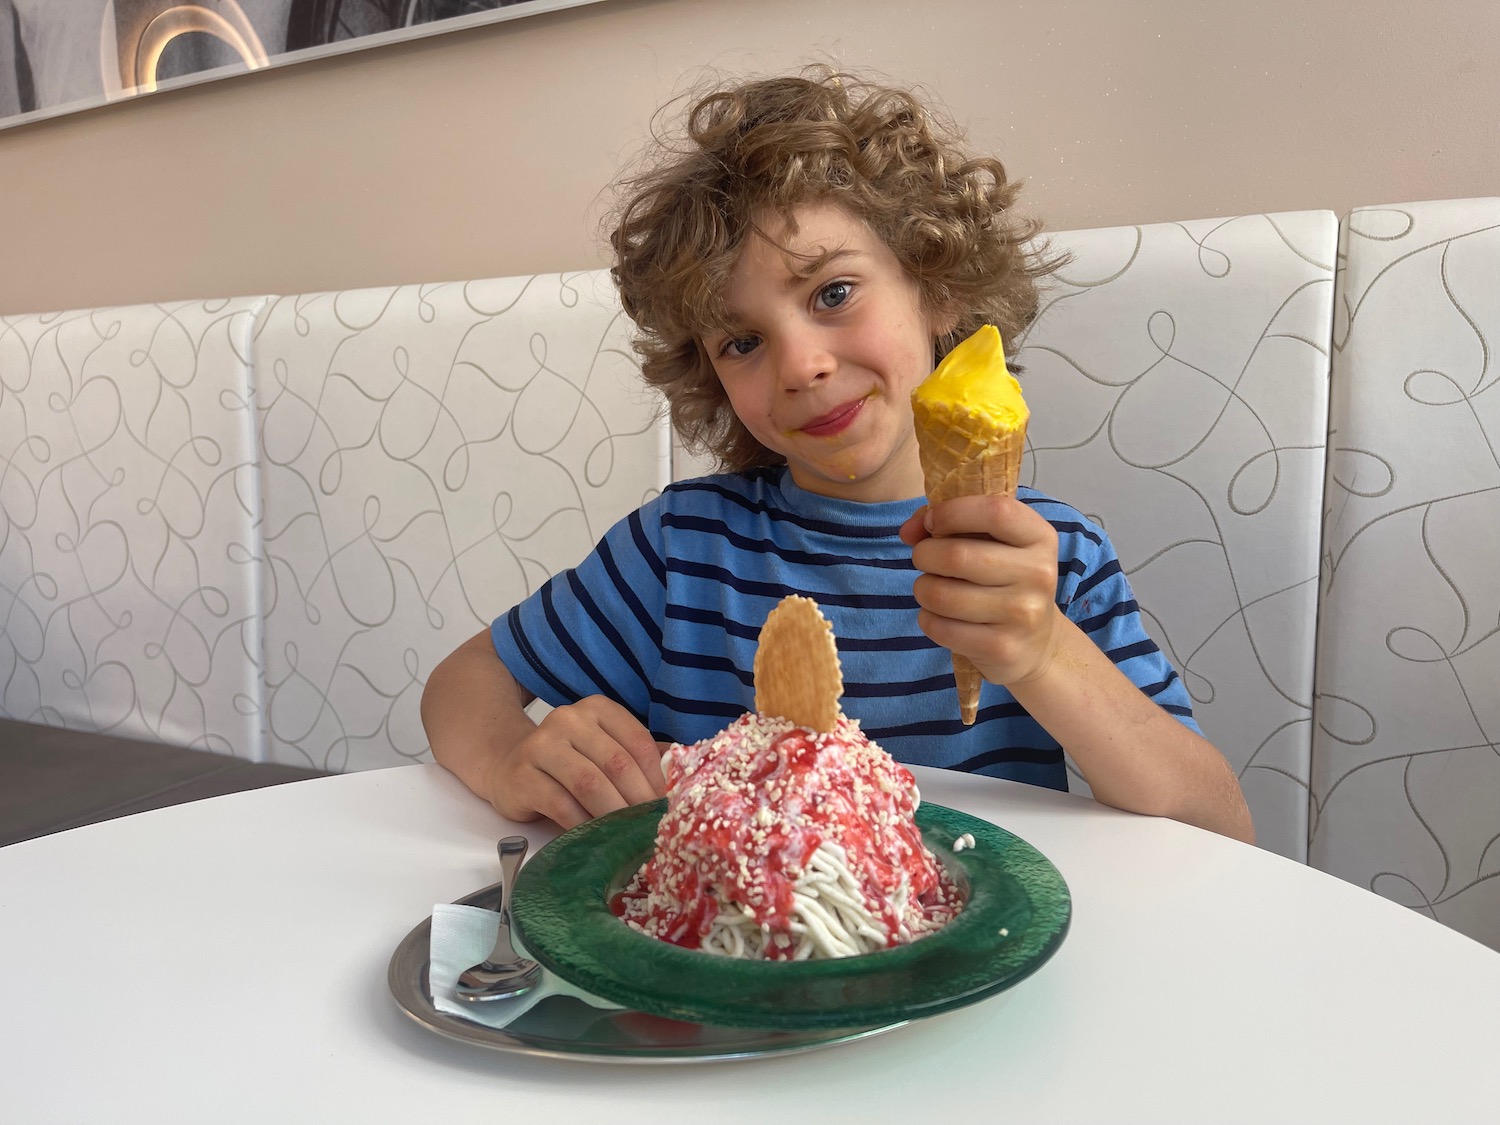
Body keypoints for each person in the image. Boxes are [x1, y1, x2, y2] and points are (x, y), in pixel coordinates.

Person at [421, 67, 1255, 845]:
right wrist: (511, 758)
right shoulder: (681, 551)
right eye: (742, 340)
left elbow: (1218, 826)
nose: (799, 366)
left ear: (937, 285)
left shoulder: (1048, 560)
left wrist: (1042, 653)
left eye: (833, 293)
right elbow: (463, 686)